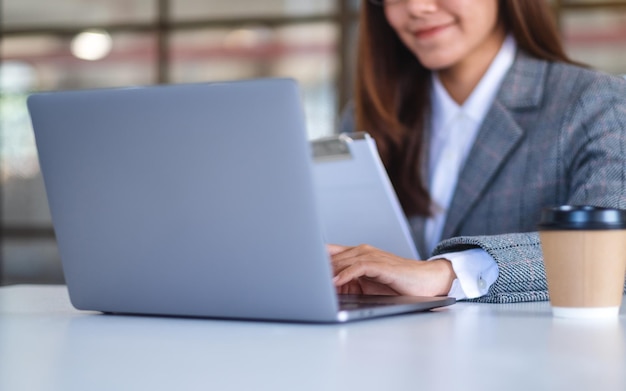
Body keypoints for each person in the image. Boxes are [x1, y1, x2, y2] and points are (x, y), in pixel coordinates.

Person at [330, 0, 626, 303]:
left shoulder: (597, 103)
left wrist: (448, 273)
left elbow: (616, 250)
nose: (417, 7)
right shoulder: (368, 118)